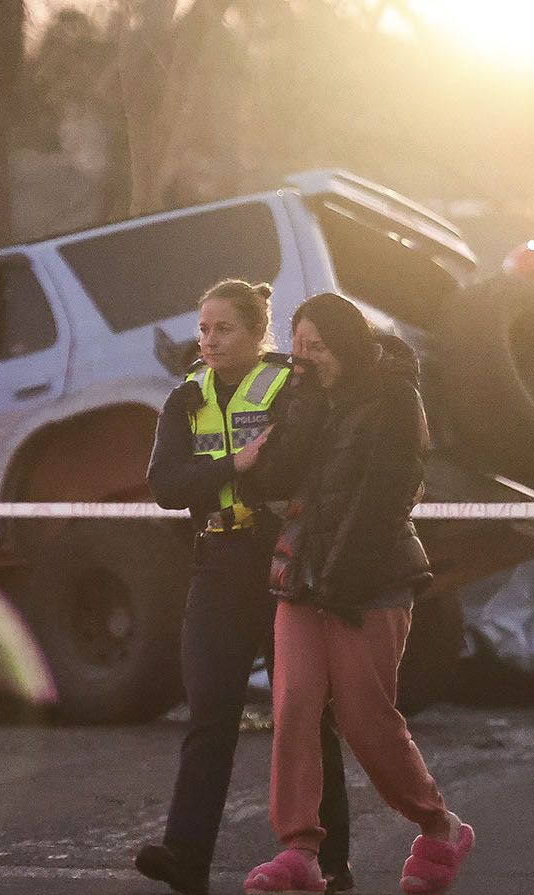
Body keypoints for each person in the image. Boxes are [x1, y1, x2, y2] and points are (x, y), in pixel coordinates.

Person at [242, 294, 471, 895]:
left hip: (370, 580)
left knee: (367, 722)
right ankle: (299, 851)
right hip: (302, 577)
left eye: (317, 348)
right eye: (298, 349)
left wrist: (341, 578)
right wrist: (297, 412)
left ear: (346, 344)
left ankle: (438, 825)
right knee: (292, 710)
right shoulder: (305, 400)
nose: (306, 360)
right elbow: (277, 480)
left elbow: (387, 493)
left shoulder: (396, 397)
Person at [136, 280, 354, 895]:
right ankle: (186, 857)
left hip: (283, 565)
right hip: (217, 566)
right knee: (209, 715)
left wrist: (251, 473)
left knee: (307, 718)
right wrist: (233, 465)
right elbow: (166, 485)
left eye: (223, 329)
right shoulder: (185, 399)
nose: (208, 341)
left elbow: (295, 466)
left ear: (259, 332)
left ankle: (332, 865)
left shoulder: (292, 387)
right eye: (202, 329)